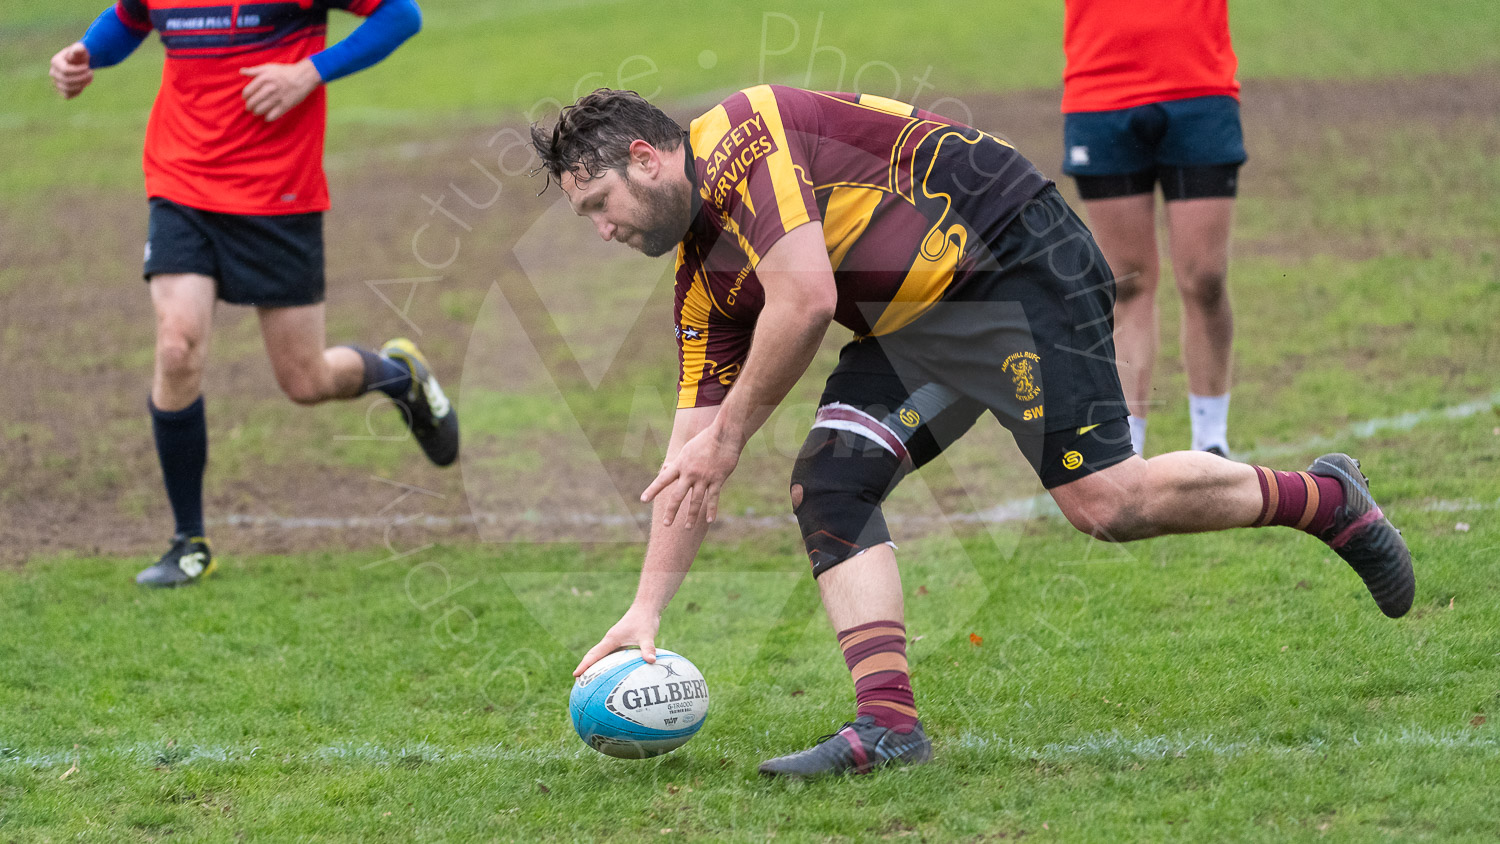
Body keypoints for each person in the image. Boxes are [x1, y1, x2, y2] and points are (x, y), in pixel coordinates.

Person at [531, 87, 1414, 778]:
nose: (603, 229)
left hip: (1013, 256)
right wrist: (646, 610)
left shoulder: (739, 133)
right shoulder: (703, 286)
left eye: (598, 204)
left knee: (1108, 504)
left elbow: (806, 298)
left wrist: (729, 437)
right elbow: (686, 464)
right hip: (918, 326)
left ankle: (1325, 499)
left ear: (646, 158)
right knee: (831, 485)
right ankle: (888, 727)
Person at [48, 0, 457, 588]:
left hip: (278, 196)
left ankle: (400, 376)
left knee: (305, 380)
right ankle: (189, 543)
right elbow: (130, 19)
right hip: (180, 182)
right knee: (177, 346)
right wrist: (84, 54)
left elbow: (400, 15)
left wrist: (309, 72)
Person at [1061, 0, 1245, 456]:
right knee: (1127, 285)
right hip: (1100, 93)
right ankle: (1128, 450)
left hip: (1199, 90)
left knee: (1205, 277)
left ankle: (1211, 443)